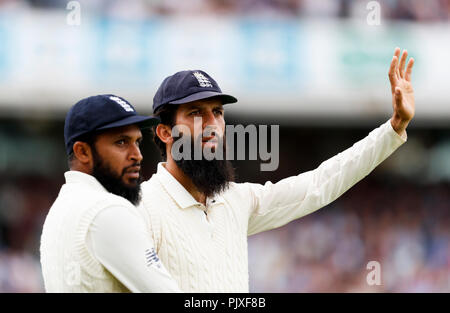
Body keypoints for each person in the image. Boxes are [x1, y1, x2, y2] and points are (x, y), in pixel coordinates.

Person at [137, 47, 415, 292]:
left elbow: (319, 185)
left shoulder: (235, 201)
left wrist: (393, 129)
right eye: (196, 113)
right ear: (164, 132)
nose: (212, 123)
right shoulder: (141, 208)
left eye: (218, 113)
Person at [39, 94, 181, 292]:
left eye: (137, 142)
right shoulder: (108, 210)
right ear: (83, 152)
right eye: (121, 142)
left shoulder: (59, 211)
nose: (137, 155)